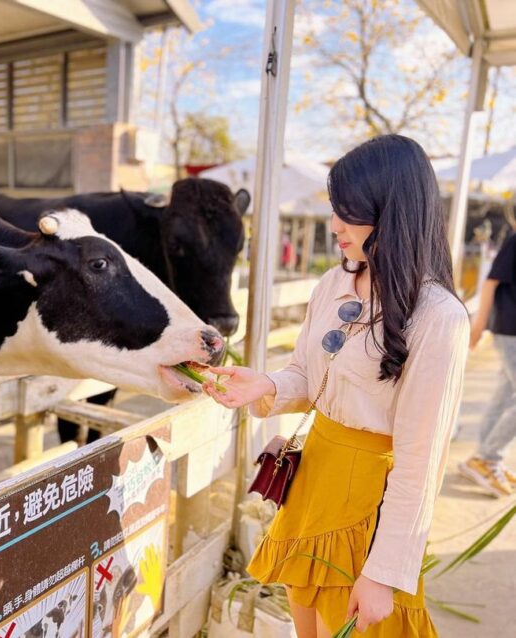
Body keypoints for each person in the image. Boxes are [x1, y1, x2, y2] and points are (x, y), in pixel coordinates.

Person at [202, 135, 469, 637]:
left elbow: (420, 464)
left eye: (347, 212)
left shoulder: (438, 317)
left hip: (368, 508)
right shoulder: (334, 284)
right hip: (314, 484)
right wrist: (262, 383)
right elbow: (308, 376)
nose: (334, 226)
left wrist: (384, 573)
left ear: (390, 212)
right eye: (334, 209)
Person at [458, 230, 516, 497]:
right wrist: (478, 326)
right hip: (509, 330)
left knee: (503, 397)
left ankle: (484, 458)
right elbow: (491, 282)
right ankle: (487, 458)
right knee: (505, 397)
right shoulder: (515, 240)